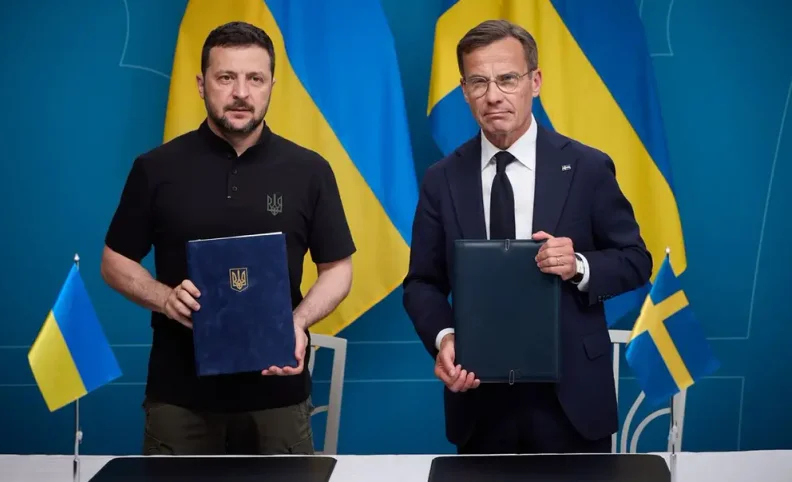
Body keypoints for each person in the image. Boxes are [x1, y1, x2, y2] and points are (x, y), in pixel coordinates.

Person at [101, 21, 355, 455]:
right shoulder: (155, 168)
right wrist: (164, 298)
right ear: (201, 85)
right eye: (225, 78)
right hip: (179, 397)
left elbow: (338, 270)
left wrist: (296, 322)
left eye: (255, 78)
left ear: (272, 85)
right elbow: (114, 261)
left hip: (279, 394)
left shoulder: (310, 170)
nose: (241, 92)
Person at [402, 19, 652, 454]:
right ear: (464, 91)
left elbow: (636, 260)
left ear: (534, 82)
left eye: (507, 79)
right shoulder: (442, 179)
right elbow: (422, 282)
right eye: (478, 82)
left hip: (572, 398)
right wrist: (444, 338)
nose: (493, 96)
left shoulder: (588, 167)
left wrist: (579, 266)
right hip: (478, 398)